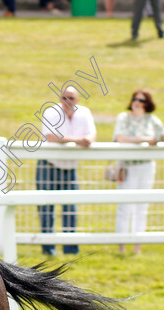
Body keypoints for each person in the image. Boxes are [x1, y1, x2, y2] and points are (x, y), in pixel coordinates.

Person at [35, 86, 96, 257]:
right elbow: (51, 136)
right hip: (49, 165)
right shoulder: (51, 112)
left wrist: (87, 140)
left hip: (70, 167)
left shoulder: (84, 113)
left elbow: (91, 135)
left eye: (72, 98)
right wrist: (78, 140)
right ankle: (48, 248)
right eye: (65, 97)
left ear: (78, 99)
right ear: (60, 98)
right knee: (46, 207)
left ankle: (70, 249)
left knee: (70, 207)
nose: (68, 101)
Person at [112, 88, 164, 255]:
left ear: (147, 104)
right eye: (135, 99)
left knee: (142, 205)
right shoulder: (123, 118)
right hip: (127, 166)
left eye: (141, 100)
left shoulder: (152, 120)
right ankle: (122, 245)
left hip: (146, 166)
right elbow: (120, 138)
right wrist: (146, 139)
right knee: (125, 205)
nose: (137, 103)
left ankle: (137, 245)